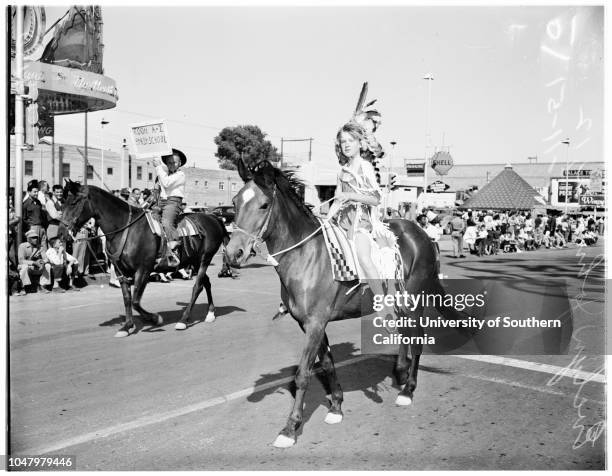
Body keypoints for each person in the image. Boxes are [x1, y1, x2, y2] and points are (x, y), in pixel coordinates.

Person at [326, 120, 396, 317]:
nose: (346, 145)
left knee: (364, 257)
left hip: (361, 223)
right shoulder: (341, 171)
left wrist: (351, 196)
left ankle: (384, 305)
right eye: (342, 142)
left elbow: (375, 198)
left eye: (350, 140)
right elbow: (336, 201)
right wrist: (325, 220)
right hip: (341, 222)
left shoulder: (365, 167)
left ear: (359, 143)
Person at [152, 148, 187, 267]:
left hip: (173, 201)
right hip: (162, 201)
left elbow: (166, 183)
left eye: (174, 162)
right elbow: (159, 187)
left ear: (179, 163)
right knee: (152, 221)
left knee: (166, 222)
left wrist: (158, 167)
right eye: (169, 162)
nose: (171, 164)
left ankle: (174, 251)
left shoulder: (180, 175)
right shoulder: (164, 173)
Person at [22, 180, 48, 252]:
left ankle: (45, 262)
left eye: (37, 192)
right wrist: (29, 229)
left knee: (44, 248)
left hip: (41, 227)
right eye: (34, 192)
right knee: (34, 249)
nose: (36, 194)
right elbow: (24, 218)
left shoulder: (38, 202)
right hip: (32, 228)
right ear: (29, 192)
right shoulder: (26, 204)